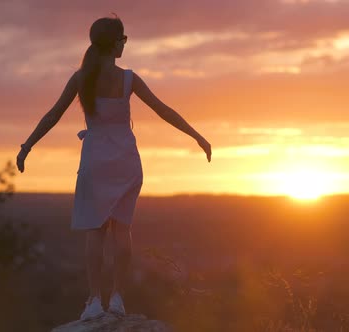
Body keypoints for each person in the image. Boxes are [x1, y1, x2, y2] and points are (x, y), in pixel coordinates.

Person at [16, 15, 212, 321]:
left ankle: (94, 300)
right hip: (126, 161)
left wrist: (27, 146)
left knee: (95, 231)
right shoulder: (128, 79)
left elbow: (52, 114)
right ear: (116, 43)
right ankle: (117, 298)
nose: (125, 44)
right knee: (123, 229)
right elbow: (163, 110)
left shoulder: (81, 78)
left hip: (95, 160)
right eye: (124, 39)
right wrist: (197, 135)